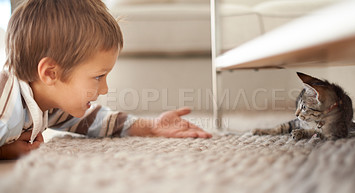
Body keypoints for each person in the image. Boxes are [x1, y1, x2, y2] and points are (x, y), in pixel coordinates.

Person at [0, 0, 212, 160]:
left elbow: (94, 121)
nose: (104, 89)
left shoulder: (50, 102)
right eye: (98, 77)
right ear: (50, 73)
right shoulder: (5, 97)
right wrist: (4, 151)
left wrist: (150, 127)